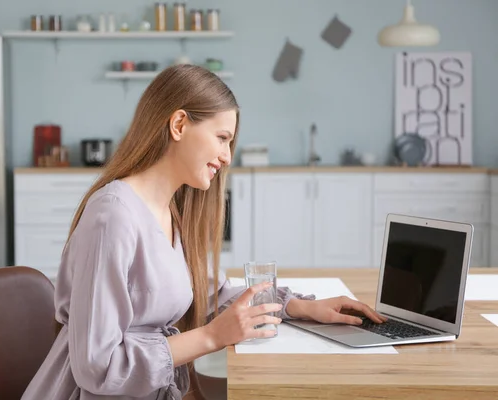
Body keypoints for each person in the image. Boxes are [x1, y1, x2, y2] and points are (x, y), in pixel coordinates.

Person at [21, 64, 386, 400]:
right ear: (179, 125)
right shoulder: (113, 217)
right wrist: (212, 336)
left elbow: (210, 293)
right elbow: (96, 366)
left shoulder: (169, 211)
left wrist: (302, 306)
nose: (227, 156)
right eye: (222, 137)